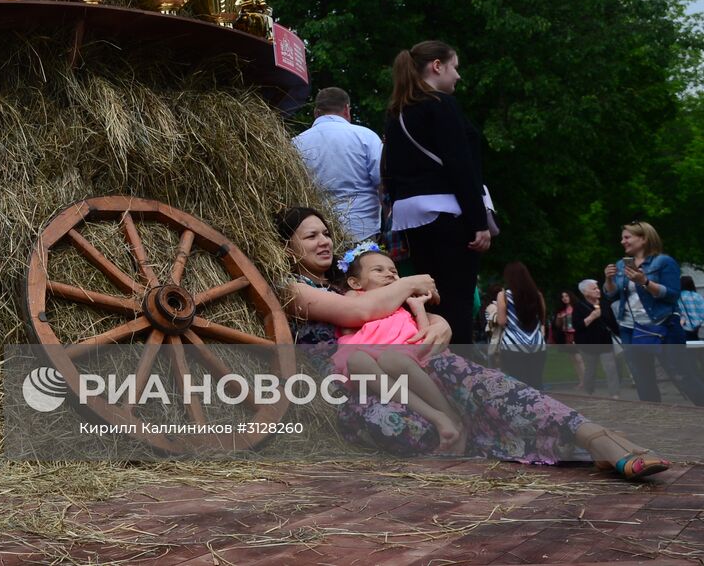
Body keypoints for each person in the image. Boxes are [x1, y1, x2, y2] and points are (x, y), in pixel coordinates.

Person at [279, 206, 668, 478]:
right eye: (311, 235)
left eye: (327, 232)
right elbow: (359, 315)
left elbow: (393, 313)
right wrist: (411, 282)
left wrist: (437, 321)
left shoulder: (353, 282)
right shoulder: (293, 289)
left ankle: (595, 437)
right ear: (287, 245)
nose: (325, 240)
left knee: (484, 388)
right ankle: (577, 444)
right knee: (426, 426)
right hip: (361, 391)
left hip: (411, 369)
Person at [382, 41, 492, 345]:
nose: (457, 76)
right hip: (449, 214)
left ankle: (435, 365)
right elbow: (461, 166)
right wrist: (478, 221)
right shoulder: (442, 105)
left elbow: (388, 171)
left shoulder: (396, 113)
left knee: (433, 296)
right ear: (437, 66)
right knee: (458, 300)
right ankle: (460, 374)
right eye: (454, 67)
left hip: (411, 218)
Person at [330, 246, 464, 452]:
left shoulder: (402, 304)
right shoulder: (355, 297)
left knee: (393, 359)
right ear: (356, 283)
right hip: (366, 351)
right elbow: (350, 320)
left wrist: (418, 307)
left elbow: (422, 333)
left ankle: (451, 418)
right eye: (379, 270)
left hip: (401, 352)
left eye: (393, 271)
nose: (390, 274)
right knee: (356, 361)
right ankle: (437, 417)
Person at [603, 221, 704, 405]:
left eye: (627, 237)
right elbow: (611, 294)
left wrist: (645, 282)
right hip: (630, 328)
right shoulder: (621, 264)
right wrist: (609, 280)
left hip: (663, 325)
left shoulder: (664, 262)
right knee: (643, 379)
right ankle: (655, 418)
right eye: (622, 238)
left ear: (643, 238)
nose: (622, 241)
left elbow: (672, 295)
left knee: (681, 374)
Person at [292, 87, 383, 241]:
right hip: (362, 228)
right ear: (347, 109)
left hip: (316, 231)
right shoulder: (365, 136)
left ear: (316, 112)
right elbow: (382, 180)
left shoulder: (296, 143)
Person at [495, 262, 547, 389]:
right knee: (536, 382)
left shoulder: (504, 295)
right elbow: (542, 317)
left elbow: (501, 321)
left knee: (517, 384)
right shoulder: (537, 295)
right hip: (537, 344)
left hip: (513, 344)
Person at [573, 278, 621, 399]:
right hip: (588, 344)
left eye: (598, 288)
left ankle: (614, 394)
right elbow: (577, 326)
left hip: (605, 341)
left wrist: (621, 335)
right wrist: (592, 317)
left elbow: (612, 323)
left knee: (611, 368)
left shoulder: (604, 304)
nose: (598, 290)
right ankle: (589, 391)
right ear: (585, 292)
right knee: (591, 370)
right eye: (594, 288)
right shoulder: (579, 306)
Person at [552, 289, 586, 390]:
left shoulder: (577, 308)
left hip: (577, 334)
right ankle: (581, 381)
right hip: (567, 336)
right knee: (574, 360)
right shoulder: (561, 311)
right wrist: (559, 317)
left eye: (566, 296)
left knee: (579, 359)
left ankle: (586, 381)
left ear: (570, 296)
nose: (565, 298)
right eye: (563, 297)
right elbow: (558, 326)